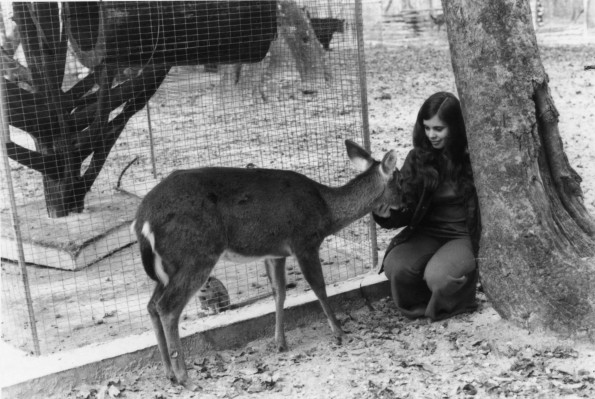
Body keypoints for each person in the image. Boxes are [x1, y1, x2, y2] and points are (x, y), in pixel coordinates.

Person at [373, 92, 481, 321]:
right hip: (428, 232)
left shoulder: (474, 157)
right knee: (396, 265)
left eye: (438, 129)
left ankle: (455, 301)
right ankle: (420, 305)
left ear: (455, 127)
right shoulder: (417, 157)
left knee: (438, 276)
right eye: (427, 127)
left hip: (464, 235)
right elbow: (407, 206)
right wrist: (387, 214)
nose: (431, 135)